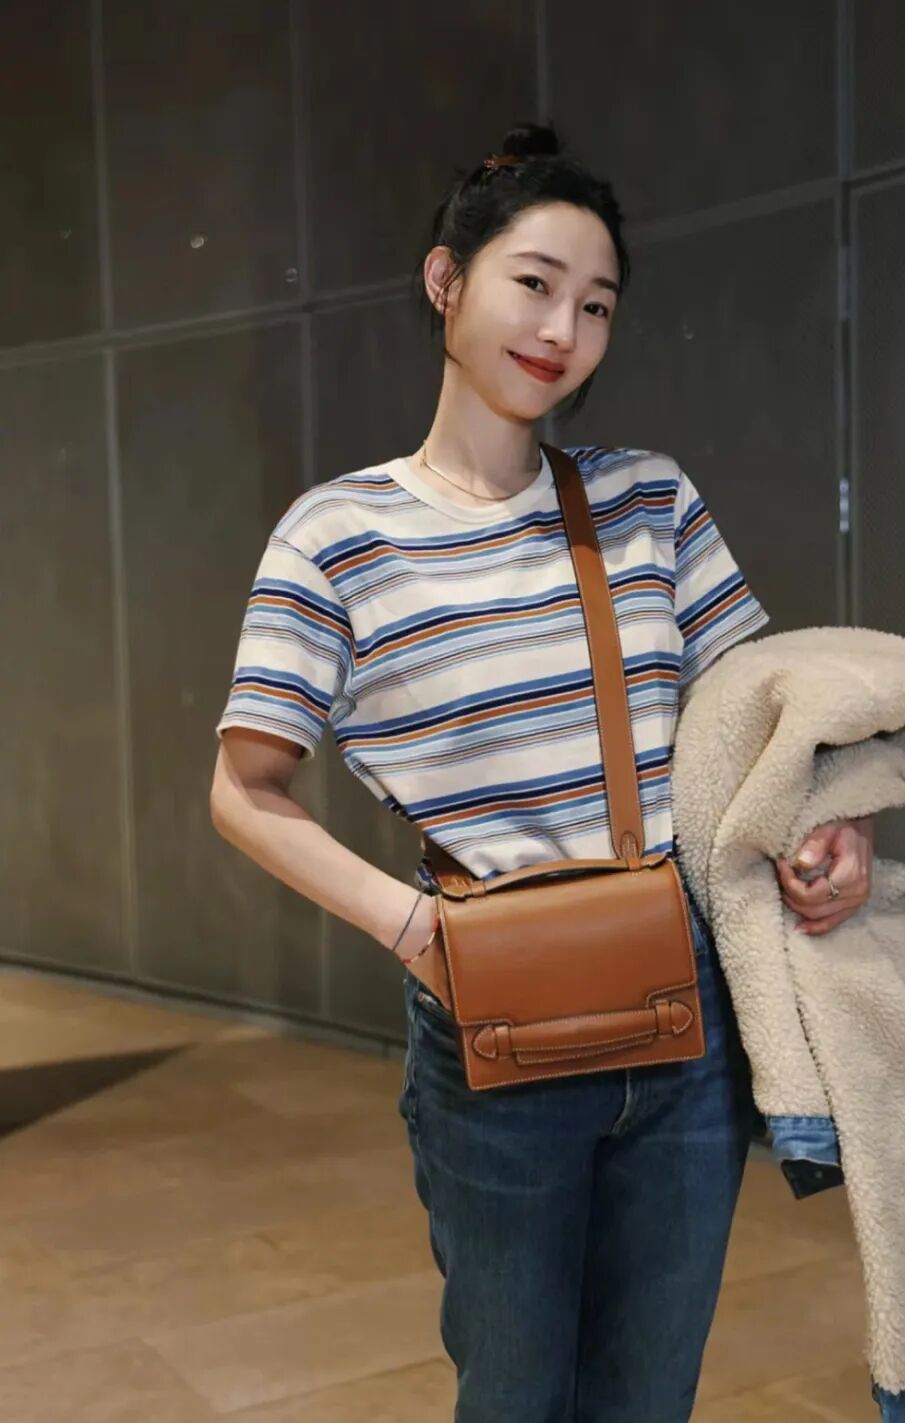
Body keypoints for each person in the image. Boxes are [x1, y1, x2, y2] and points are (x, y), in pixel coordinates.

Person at [210, 121, 871, 1422]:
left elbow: (762, 714)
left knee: (647, 1397)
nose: (563, 329)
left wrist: (832, 821)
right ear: (445, 280)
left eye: (598, 304)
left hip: (682, 1016)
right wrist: (416, 930)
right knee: (515, 1396)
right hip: (490, 1032)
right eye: (534, 283)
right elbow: (244, 789)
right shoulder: (338, 536)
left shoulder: (644, 500)